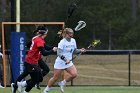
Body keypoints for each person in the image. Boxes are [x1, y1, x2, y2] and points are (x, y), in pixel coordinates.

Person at [11, 26, 57, 93]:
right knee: (37, 79)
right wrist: (52, 50)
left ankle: (19, 85)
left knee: (32, 76)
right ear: (45, 33)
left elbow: (42, 47)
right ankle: (21, 87)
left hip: (32, 61)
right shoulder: (39, 40)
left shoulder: (37, 38)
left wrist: (54, 48)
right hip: (31, 62)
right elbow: (44, 52)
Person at [43, 28, 86, 93]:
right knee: (55, 78)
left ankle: (62, 83)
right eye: (70, 33)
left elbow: (74, 50)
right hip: (60, 62)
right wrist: (65, 59)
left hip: (68, 62)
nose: (71, 35)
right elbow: (59, 53)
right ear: (66, 34)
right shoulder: (62, 42)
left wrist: (80, 50)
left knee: (74, 74)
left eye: (72, 33)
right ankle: (46, 90)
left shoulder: (73, 41)